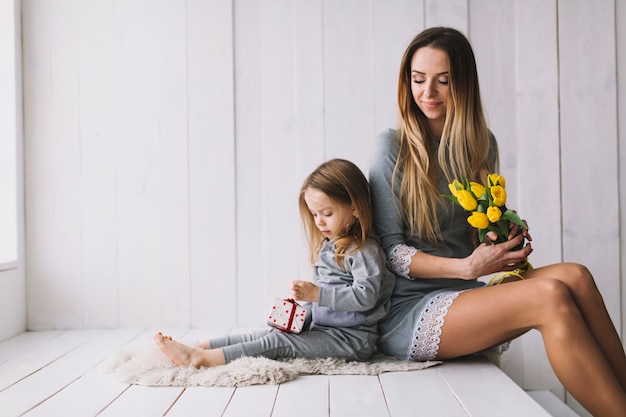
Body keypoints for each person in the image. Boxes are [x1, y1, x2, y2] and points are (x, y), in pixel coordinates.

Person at [368, 26, 626, 416]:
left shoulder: (480, 143)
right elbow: (390, 252)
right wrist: (466, 266)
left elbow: (476, 236)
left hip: (465, 293)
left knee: (577, 277)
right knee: (550, 296)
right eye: (418, 80)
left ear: (464, 85)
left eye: (443, 81)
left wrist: (504, 240)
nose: (428, 93)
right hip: (411, 310)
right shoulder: (392, 147)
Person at [154, 158, 395, 368]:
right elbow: (324, 300)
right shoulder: (330, 245)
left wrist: (316, 295)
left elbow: (366, 296)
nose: (319, 222)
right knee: (270, 333)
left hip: (352, 340)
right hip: (326, 330)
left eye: (327, 213)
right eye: (314, 214)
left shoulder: (364, 250)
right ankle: (198, 346)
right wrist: (301, 315)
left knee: (278, 343)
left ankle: (199, 360)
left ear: (354, 207)